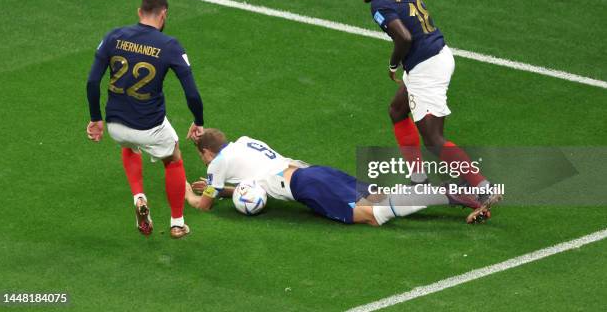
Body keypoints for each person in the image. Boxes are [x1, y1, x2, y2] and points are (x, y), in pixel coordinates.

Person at [352, 0, 501, 215]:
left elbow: (404, 37)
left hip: (426, 68)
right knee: (397, 110)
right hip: (438, 55)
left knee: (433, 139)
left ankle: (482, 186)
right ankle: (418, 180)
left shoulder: (379, 3)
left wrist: (393, 64)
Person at [185, 129, 488, 226]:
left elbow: (203, 206)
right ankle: (465, 197)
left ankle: (444, 192)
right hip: (313, 172)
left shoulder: (216, 164)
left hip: (305, 187)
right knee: (380, 198)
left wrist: (187, 192)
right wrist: (224, 190)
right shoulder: (244, 141)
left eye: (202, 156)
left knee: (372, 216)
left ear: (207, 153)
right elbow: (253, 179)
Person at [86, 0, 204, 239]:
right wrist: (198, 121)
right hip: (150, 127)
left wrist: (96, 118)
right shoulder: (170, 45)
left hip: (116, 125)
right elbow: (192, 93)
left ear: (139, 12)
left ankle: (139, 197)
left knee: (130, 146)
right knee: (173, 159)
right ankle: (177, 223)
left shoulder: (114, 36)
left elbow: (92, 81)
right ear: (164, 15)